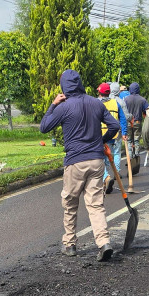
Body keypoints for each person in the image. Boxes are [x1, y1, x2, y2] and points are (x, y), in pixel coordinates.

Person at [40, 69, 120, 261]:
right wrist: (102, 141)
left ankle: (70, 244)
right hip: (96, 160)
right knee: (96, 204)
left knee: (70, 203)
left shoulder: (63, 107)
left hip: (75, 161)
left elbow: (44, 127)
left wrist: (53, 105)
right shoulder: (95, 102)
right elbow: (115, 126)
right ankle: (103, 243)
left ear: (64, 86)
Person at [97, 82, 127, 194]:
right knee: (114, 154)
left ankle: (106, 177)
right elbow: (123, 118)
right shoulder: (115, 103)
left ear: (99, 93)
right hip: (113, 134)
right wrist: (124, 132)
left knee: (100, 159)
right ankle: (115, 173)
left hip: (100, 135)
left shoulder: (96, 103)